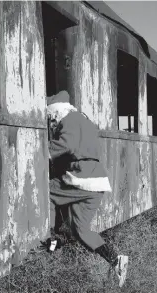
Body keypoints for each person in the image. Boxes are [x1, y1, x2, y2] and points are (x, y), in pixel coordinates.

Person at [46, 90, 129, 287]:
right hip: (96, 181)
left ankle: (49, 242)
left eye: (51, 117)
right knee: (81, 230)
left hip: (83, 176)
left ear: (56, 111)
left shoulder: (70, 119)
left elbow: (67, 143)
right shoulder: (82, 119)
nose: (51, 121)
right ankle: (116, 260)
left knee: (46, 193)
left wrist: (42, 151)